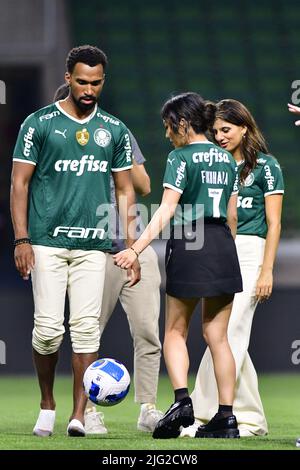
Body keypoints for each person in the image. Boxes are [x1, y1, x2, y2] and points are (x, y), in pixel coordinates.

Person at [10, 45, 140, 437]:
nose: (88, 89)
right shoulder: (39, 123)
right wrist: (22, 238)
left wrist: (131, 245)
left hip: (93, 245)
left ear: (103, 81)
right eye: (81, 81)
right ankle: (47, 403)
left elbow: (125, 191)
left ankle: (78, 415)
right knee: (48, 330)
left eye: (95, 83)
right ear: (67, 78)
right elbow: (19, 182)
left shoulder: (114, 130)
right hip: (47, 240)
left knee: (86, 330)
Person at [114, 92, 243, 439]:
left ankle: (182, 401)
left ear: (182, 124)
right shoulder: (228, 159)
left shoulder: (180, 157)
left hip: (190, 242)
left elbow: (167, 209)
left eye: (168, 126)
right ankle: (226, 418)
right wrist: (227, 251)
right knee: (218, 337)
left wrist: (136, 249)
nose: (166, 134)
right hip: (222, 245)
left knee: (175, 331)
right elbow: (232, 215)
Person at [53, 84, 163, 434]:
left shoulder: (116, 132)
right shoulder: (55, 141)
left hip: (134, 248)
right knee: (89, 333)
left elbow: (144, 186)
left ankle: (148, 408)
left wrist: (114, 152)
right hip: (90, 249)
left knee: (148, 330)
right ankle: (88, 413)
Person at [182, 99, 284, 438]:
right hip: (223, 247)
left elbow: (274, 223)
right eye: (215, 132)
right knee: (228, 336)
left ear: (245, 127)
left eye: (226, 130)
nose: (220, 136)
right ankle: (251, 419)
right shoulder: (219, 166)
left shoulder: (267, 167)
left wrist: (267, 270)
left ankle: (201, 415)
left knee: (225, 334)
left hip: (252, 251)